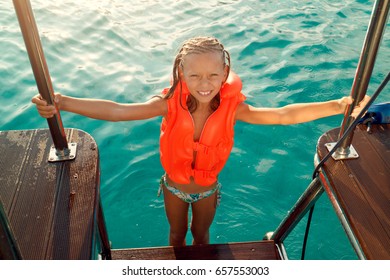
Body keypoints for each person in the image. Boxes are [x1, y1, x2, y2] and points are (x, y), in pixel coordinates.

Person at [32, 36, 369, 247]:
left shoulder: (235, 109)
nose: (204, 83)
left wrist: (339, 106)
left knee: (202, 237)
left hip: (207, 190)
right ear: (181, 74)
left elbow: (282, 114)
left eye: (213, 75)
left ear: (225, 74)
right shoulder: (167, 104)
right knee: (176, 236)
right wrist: (63, 101)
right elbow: (119, 111)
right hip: (173, 188)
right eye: (194, 75)